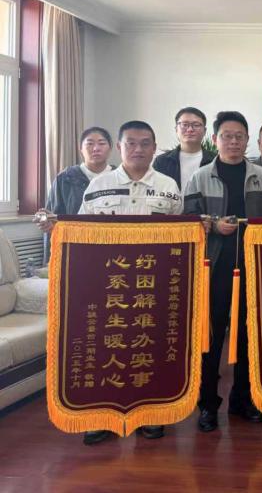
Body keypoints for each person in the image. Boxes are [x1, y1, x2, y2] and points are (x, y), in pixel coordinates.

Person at [78, 120, 183, 444]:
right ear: (120, 147)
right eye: (131, 143)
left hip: (153, 287)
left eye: (145, 143)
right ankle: (101, 417)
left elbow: (181, 238)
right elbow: (80, 234)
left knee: (149, 349)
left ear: (155, 148)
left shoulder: (168, 186)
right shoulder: (98, 186)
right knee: (106, 350)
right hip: (108, 288)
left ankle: (149, 415)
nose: (138, 149)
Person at [184, 111, 262, 433]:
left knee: (249, 336)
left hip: (252, 266)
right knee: (211, 339)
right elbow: (189, 220)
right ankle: (208, 405)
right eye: (226, 136)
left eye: (239, 136)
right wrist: (212, 225)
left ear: (247, 140)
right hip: (215, 269)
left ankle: (243, 399)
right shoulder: (199, 177)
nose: (233, 141)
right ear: (215, 139)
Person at [38, 126, 115, 258]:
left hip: (112, 248)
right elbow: (52, 218)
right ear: (81, 149)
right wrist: (45, 220)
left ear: (110, 148)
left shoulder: (119, 178)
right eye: (89, 144)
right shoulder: (65, 179)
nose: (96, 148)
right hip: (74, 247)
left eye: (102, 143)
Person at [153, 107, 214, 192]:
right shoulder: (161, 161)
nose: (190, 129)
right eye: (185, 125)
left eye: (196, 125)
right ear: (176, 129)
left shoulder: (214, 160)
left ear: (204, 131)